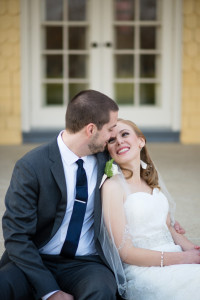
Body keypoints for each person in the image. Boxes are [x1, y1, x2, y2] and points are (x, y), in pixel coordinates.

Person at [0, 90, 120, 300]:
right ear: (91, 129)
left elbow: (142, 180)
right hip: (35, 259)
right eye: (111, 129)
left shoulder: (107, 159)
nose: (114, 136)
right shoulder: (31, 166)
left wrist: (167, 224)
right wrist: (51, 291)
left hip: (85, 263)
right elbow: (16, 235)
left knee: (102, 291)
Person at [101, 118, 200, 300]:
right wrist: (185, 259)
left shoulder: (150, 183)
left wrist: (195, 251)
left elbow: (169, 230)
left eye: (125, 134)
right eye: (112, 140)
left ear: (141, 141)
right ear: (108, 149)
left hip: (176, 259)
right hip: (145, 271)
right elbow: (125, 252)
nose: (120, 141)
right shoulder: (112, 187)